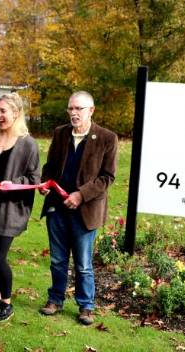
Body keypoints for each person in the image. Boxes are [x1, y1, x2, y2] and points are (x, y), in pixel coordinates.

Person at [38, 91, 118, 326]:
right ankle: (55, 300)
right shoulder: (60, 134)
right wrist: (45, 182)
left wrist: (81, 195)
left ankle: (86, 306)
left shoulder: (106, 138)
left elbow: (107, 177)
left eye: (79, 109)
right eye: (71, 108)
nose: (74, 113)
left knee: (83, 265)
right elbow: (50, 166)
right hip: (57, 209)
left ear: (91, 111)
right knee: (57, 260)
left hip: (85, 211)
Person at [0, 92, 40, 322]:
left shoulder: (27, 143)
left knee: (0, 255)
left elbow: (34, 179)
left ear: (16, 113)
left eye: (3, 111)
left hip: (11, 209)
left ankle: (7, 303)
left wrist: (14, 184)